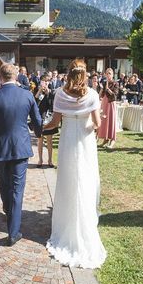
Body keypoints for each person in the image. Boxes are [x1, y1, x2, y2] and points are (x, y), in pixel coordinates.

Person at [43, 59, 106, 268]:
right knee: (85, 180)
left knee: (69, 180)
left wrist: (40, 127)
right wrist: (91, 121)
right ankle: (84, 220)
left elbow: (54, 122)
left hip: (68, 140)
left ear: (68, 73)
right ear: (85, 74)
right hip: (85, 141)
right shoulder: (93, 95)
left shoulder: (60, 94)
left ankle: (65, 225)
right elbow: (97, 124)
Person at [0, 64, 42, 246]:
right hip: (21, 147)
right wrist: (38, 133)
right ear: (16, 76)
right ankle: (13, 226)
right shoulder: (27, 95)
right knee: (16, 188)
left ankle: (10, 219)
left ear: (0, 77)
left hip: (0, 147)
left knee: (4, 184)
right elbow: (37, 120)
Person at [34, 76, 56, 168]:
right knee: (40, 140)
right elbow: (35, 101)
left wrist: (48, 93)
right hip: (40, 118)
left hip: (49, 119)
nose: (45, 84)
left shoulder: (52, 92)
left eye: (47, 82)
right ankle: (40, 160)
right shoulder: (37, 91)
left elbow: (52, 105)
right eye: (43, 82)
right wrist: (40, 90)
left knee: (49, 141)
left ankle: (50, 160)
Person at [97, 68, 119, 149]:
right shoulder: (104, 82)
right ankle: (105, 139)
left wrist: (107, 89)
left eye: (110, 73)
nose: (108, 75)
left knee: (111, 120)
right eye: (107, 73)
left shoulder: (115, 83)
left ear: (112, 75)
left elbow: (115, 95)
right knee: (105, 121)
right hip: (105, 103)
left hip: (111, 103)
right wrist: (102, 89)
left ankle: (112, 140)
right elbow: (101, 95)